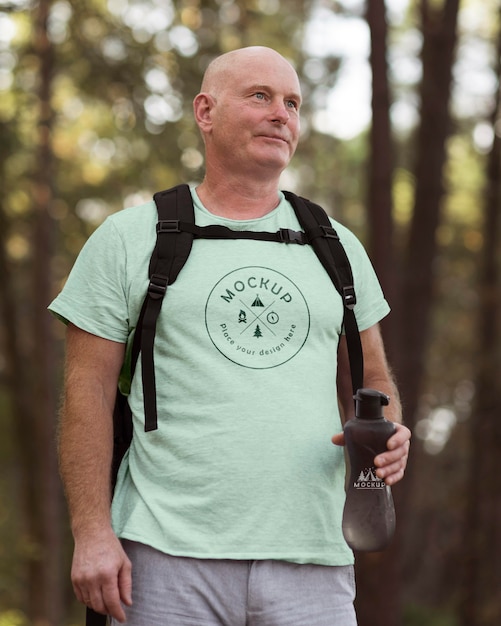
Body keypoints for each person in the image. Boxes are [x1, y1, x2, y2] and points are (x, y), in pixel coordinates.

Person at [50, 46, 411, 625]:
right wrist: (93, 533)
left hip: (314, 560)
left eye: (292, 102)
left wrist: (389, 433)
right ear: (205, 111)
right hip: (163, 560)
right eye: (260, 96)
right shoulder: (129, 238)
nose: (281, 114)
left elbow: (373, 376)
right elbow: (85, 392)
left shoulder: (338, 246)